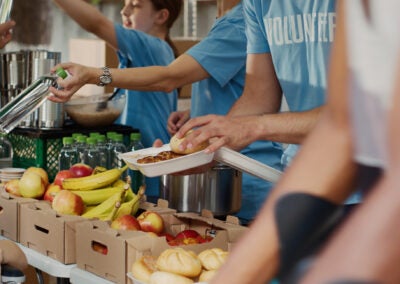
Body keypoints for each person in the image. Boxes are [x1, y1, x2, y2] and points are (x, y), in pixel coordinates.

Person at [49, 0, 283, 224]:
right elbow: (249, 92)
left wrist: (94, 75)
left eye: (136, 5)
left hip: (243, 181)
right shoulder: (232, 21)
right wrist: (196, 112)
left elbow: (169, 77)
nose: (124, 11)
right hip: (222, 178)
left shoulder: (238, 24)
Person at [51, 0, 182, 197]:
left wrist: (90, 76)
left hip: (149, 178)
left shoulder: (153, 47)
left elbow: (97, 24)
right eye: (125, 3)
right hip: (141, 171)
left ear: (161, 16)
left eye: (135, 5)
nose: (124, 11)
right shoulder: (142, 53)